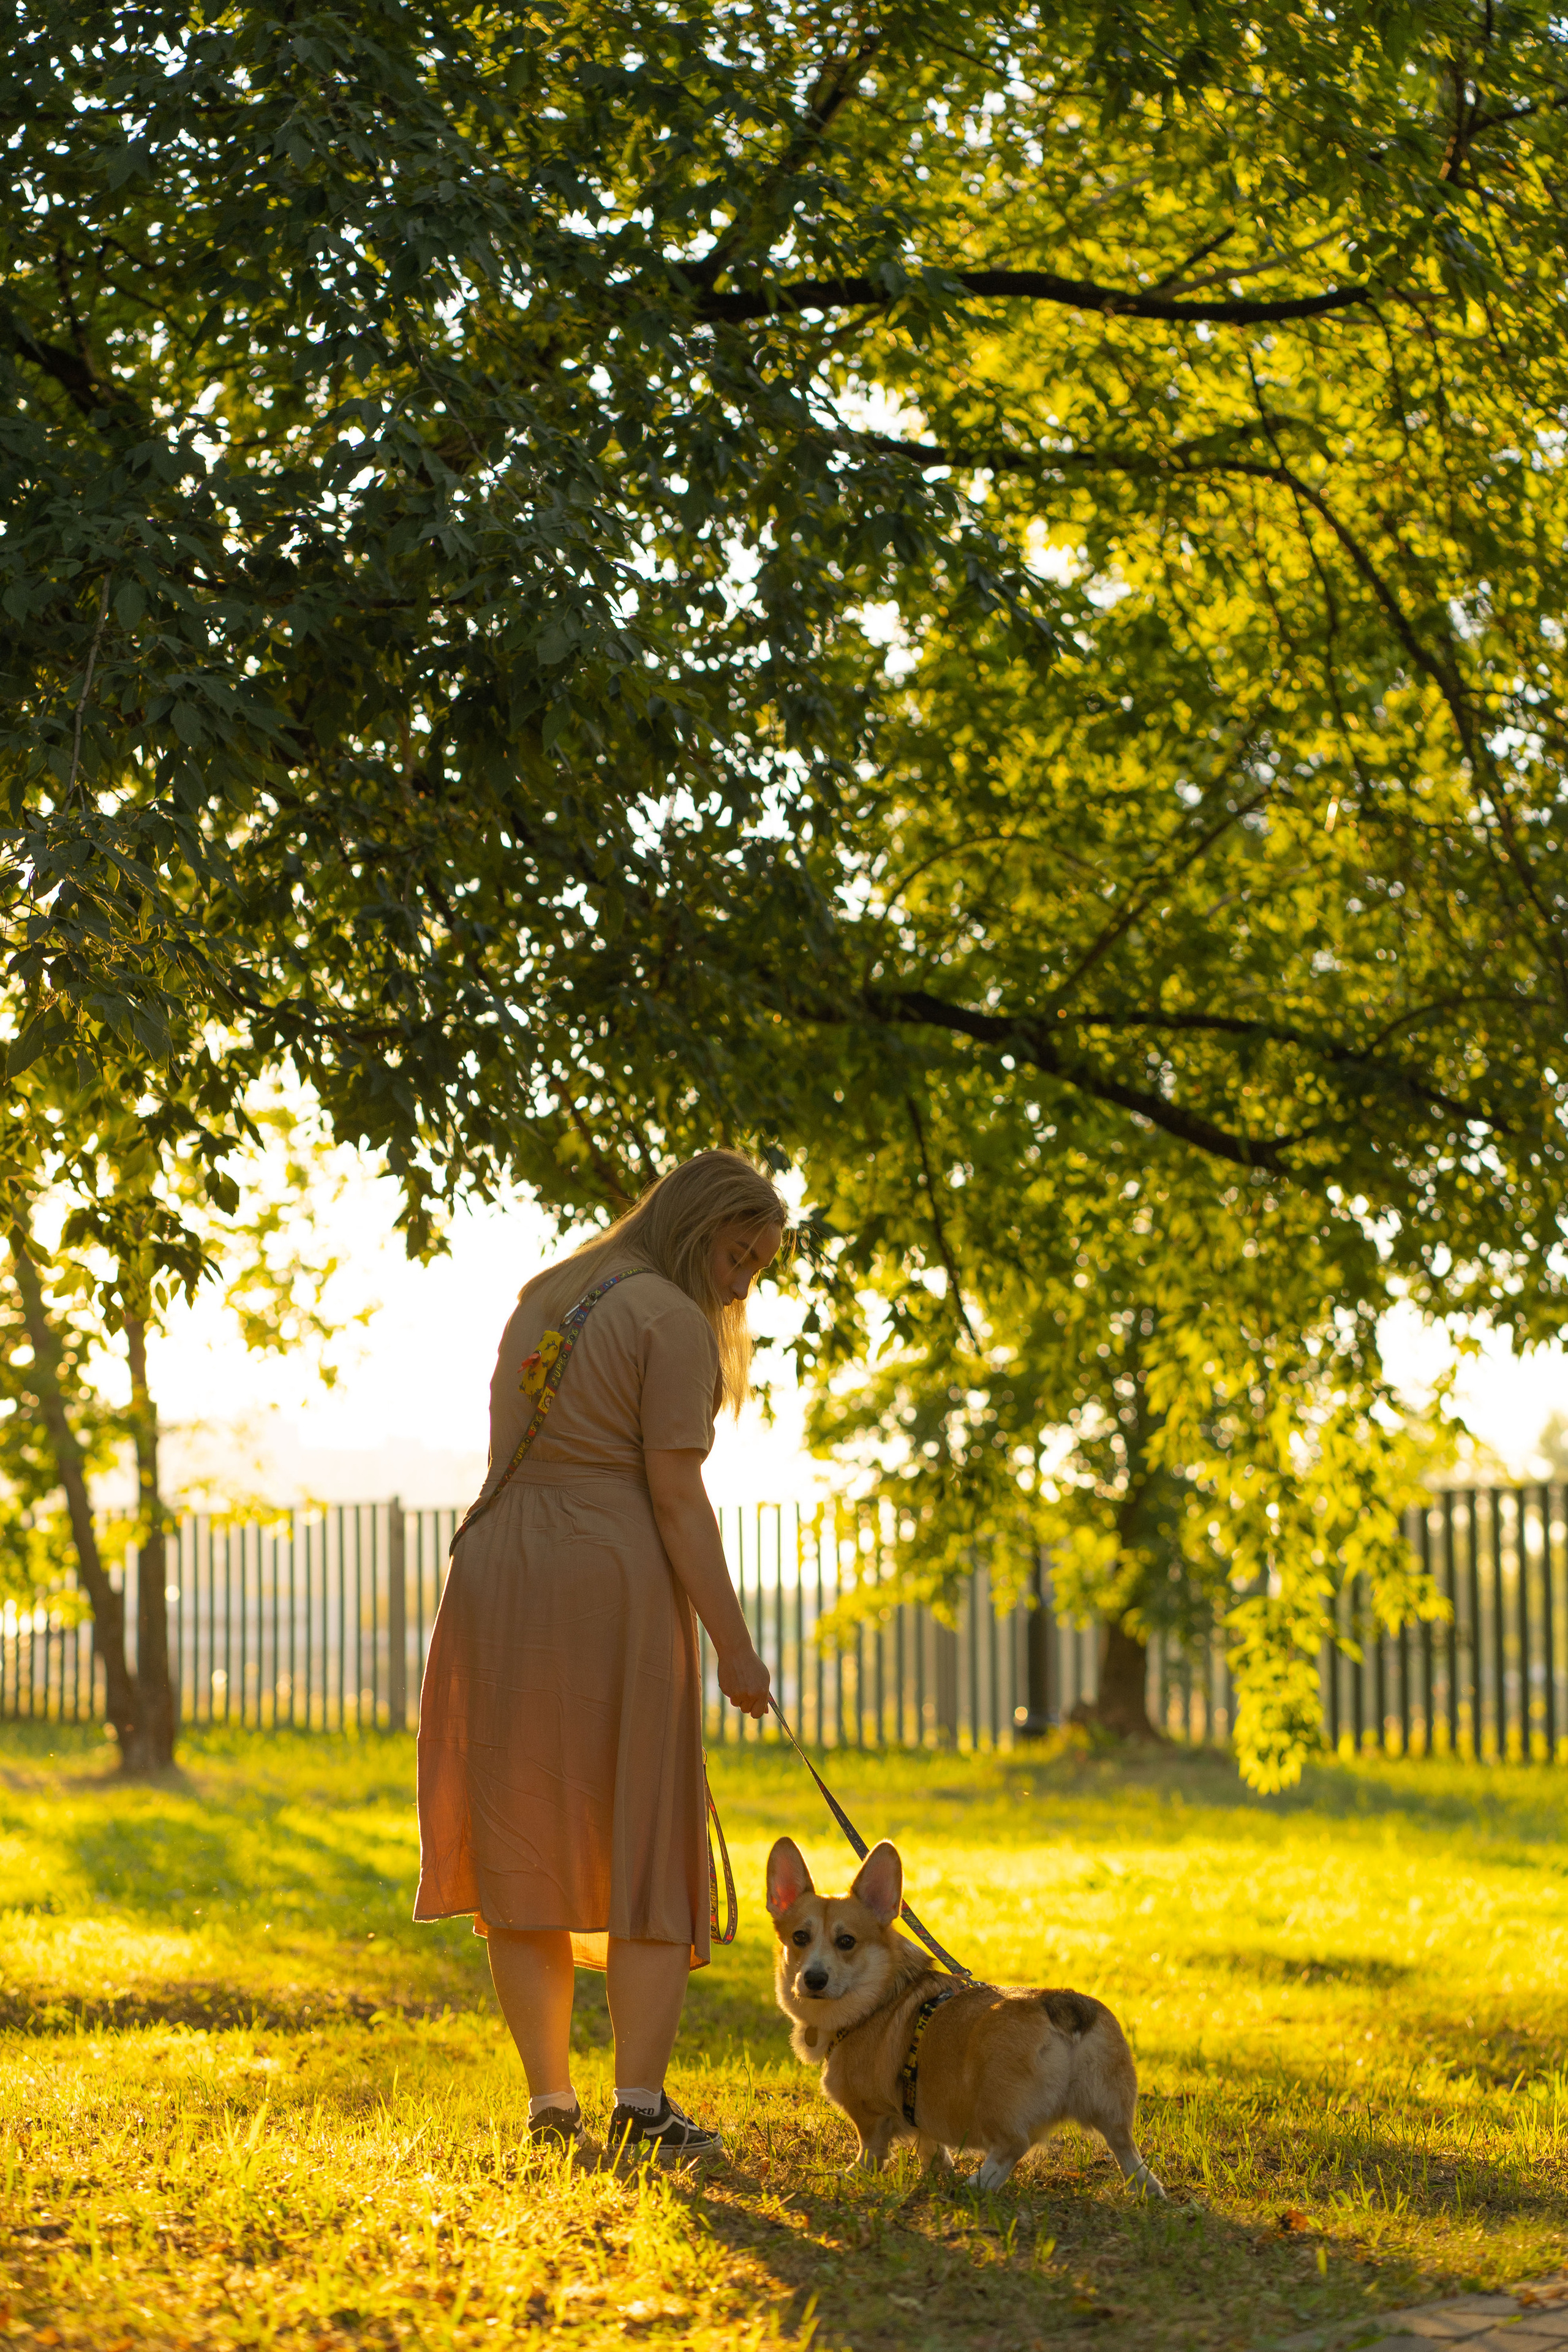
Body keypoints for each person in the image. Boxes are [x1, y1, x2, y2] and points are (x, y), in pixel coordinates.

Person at [413, 1148, 782, 2158]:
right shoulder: (669, 1317)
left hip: (497, 1573)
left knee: (521, 1836)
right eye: (737, 1254)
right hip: (605, 1585)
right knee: (647, 1839)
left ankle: (550, 2107)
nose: (744, 1279)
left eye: (760, 1265)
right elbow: (675, 1497)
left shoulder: (548, 1290)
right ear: (695, 1223)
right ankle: (643, 2106)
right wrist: (736, 1649)